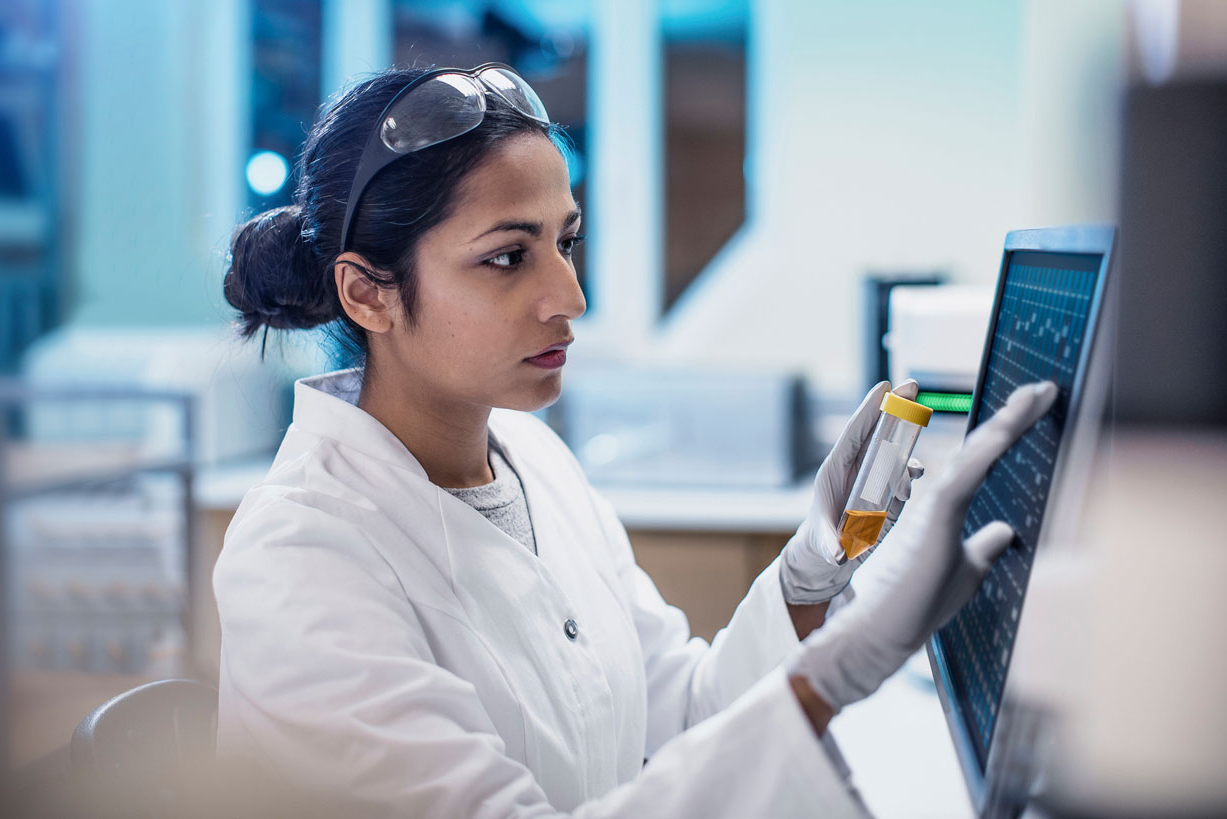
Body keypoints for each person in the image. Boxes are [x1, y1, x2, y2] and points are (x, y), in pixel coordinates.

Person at [212, 63, 1057, 817]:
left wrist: (814, 570)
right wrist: (831, 677)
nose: (569, 295)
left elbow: (684, 715)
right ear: (367, 295)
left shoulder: (535, 459)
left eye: (566, 241)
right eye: (509, 258)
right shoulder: (302, 553)